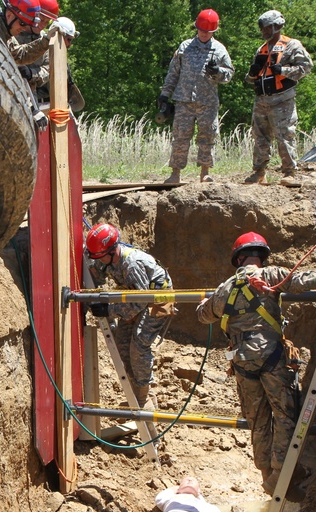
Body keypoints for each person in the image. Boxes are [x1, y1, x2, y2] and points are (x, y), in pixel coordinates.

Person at [195, 232, 316, 498]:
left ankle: (265, 472)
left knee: (258, 419)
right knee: (284, 415)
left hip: (242, 361)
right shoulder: (270, 276)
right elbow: (303, 281)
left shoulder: (226, 287)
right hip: (271, 356)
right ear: (261, 256)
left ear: (238, 258)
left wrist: (204, 304)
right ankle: (279, 475)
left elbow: (203, 316)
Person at [85, 223, 173, 409]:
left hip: (156, 298)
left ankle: (142, 401)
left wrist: (109, 310)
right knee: (122, 345)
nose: (99, 260)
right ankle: (142, 395)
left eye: (101, 257)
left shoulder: (131, 265)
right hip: (135, 294)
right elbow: (96, 272)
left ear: (111, 251)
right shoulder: (107, 257)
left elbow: (139, 302)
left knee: (139, 345)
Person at [157, 9, 234, 185]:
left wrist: (218, 72)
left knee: (207, 136)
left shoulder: (220, 49)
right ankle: (175, 173)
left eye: (207, 31)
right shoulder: (185, 47)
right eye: (201, 30)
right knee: (180, 136)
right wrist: (164, 94)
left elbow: (229, 74)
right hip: (184, 101)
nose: (204, 33)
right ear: (196, 28)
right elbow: (173, 73)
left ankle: (205, 173)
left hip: (207, 103)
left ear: (213, 31)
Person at [243, 10, 313, 186]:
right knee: (259, 137)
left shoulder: (292, 45)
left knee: (285, 135)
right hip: (261, 100)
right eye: (262, 28)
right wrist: (251, 73)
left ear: (276, 26)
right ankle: (259, 172)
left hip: (282, 100)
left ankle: (289, 172)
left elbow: (306, 67)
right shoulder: (262, 49)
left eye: (267, 27)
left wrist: (283, 71)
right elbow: (250, 79)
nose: (264, 31)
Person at [22, 16, 86, 113]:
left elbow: (48, 72)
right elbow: (48, 71)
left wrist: (32, 73)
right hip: (29, 97)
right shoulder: (43, 44)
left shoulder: (56, 52)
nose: (69, 44)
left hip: (48, 100)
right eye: (68, 39)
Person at [0, 0, 59, 66]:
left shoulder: (6, 34)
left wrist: (46, 40)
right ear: (9, 15)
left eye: (27, 24)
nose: (24, 28)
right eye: (22, 23)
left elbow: (20, 55)